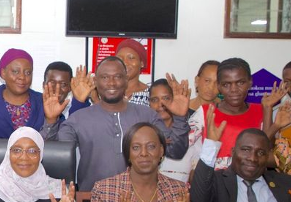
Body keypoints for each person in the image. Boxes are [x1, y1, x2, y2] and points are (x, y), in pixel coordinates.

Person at [41, 56, 190, 192]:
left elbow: (175, 151)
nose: (111, 83)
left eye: (118, 77)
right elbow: (52, 157)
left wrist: (180, 118)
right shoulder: (78, 119)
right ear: (95, 82)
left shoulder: (148, 115)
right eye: (105, 77)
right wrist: (51, 121)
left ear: (126, 80)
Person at [189, 57, 264, 170]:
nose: (234, 89)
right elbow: (179, 148)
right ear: (219, 86)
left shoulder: (260, 111)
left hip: (250, 183)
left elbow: (268, 152)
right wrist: (179, 117)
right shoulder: (206, 112)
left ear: (250, 82)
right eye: (226, 84)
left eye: (240, 82)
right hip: (213, 183)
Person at [148, 79, 202, 183]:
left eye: (166, 98)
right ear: (149, 103)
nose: (161, 104)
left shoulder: (194, 130)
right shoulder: (143, 131)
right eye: (154, 100)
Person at [115, 39, 151, 106]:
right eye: (120, 58)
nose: (124, 62)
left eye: (131, 58)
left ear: (142, 63)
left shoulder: (151, 94)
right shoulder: (106, 91)